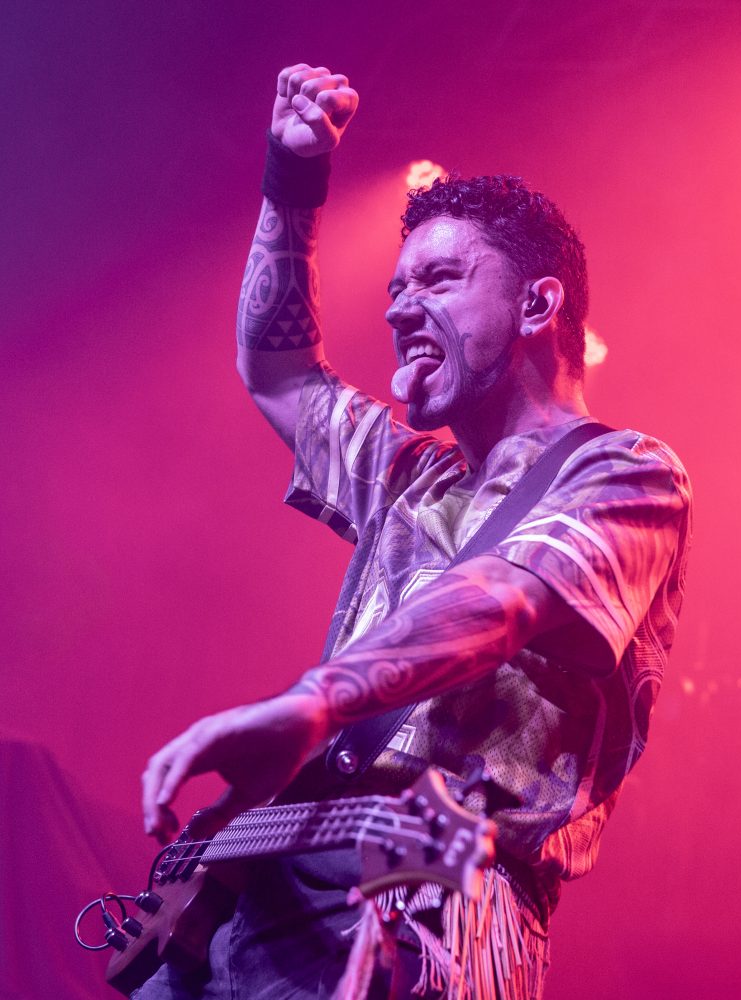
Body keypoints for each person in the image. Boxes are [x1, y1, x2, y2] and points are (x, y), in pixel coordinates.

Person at [136, 63, 692, 1000]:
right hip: (254, 896)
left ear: (536, 305)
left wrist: (315, 702)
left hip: (417, 898)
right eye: (396, 287)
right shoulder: (411, 474)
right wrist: (292, 179)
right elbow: (279, 371)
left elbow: (504, 598)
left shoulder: (627, 470)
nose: (397, 309)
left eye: (438, 279)